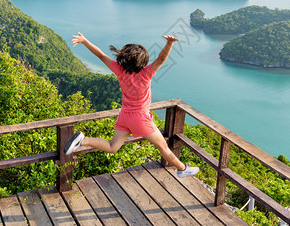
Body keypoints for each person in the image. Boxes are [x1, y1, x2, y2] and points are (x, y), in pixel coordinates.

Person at [64, 32, 199, 178]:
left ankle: (83, 140)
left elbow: (101, 56)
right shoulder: (146, 74)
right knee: (163, 147)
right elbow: (160, 59)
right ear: (142, 62)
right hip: (140, 118)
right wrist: (169, 43)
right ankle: (183, 168)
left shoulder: (120, 71)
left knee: (112, 147)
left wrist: (85, 41)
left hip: (124, 116)